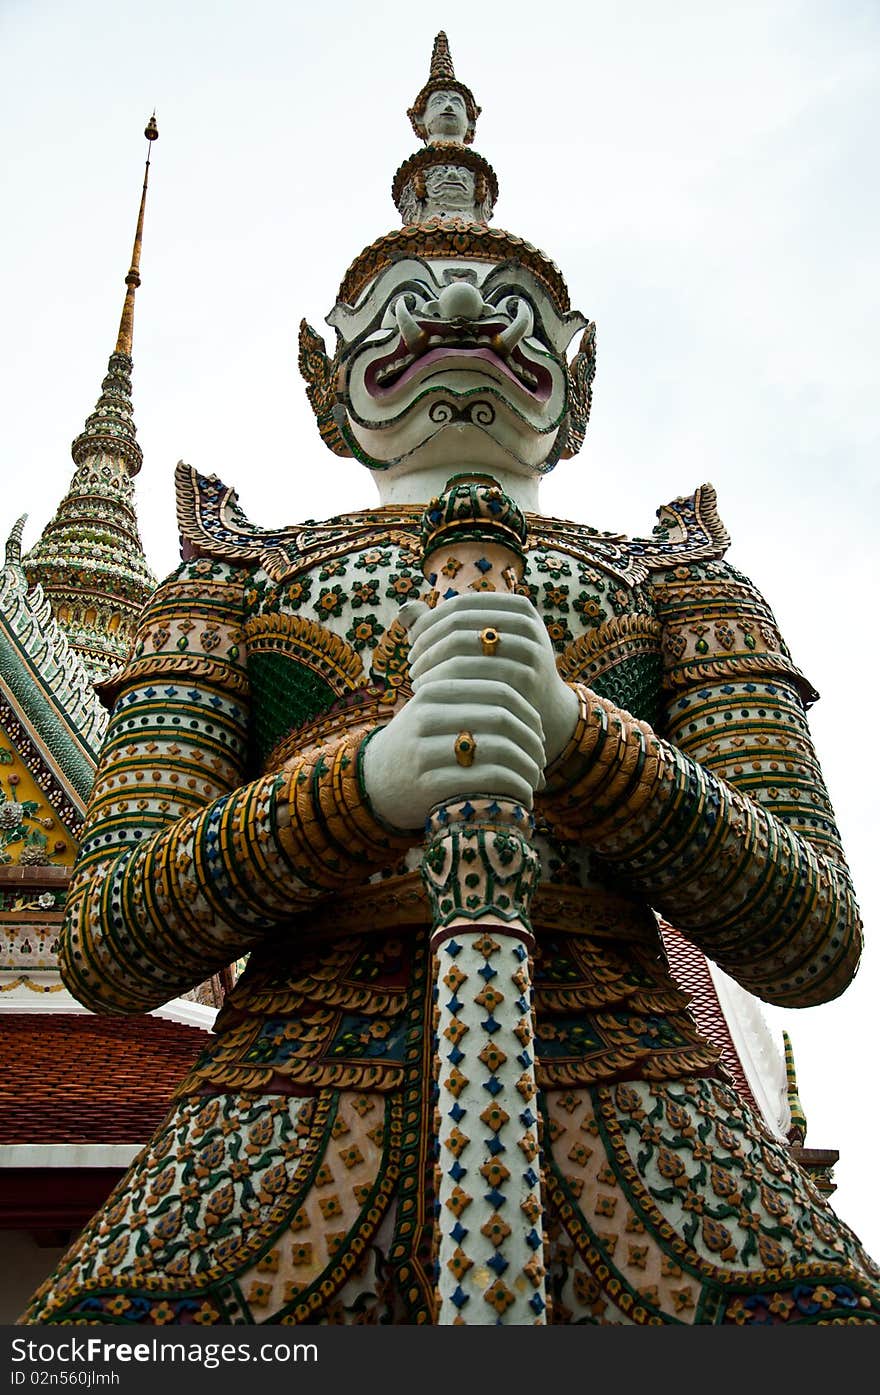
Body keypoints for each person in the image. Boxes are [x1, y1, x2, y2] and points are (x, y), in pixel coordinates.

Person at [22, 33, 880, 1327]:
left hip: (638, 1089)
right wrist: (362, 788)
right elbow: (113, 938)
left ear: (574, 382)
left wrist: (583, 740)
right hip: (287, 1093)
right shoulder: (233, 577)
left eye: (512, 311)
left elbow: (811, 932)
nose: (464, 322)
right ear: (328, 379)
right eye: (404, 310)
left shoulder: (678, 580)